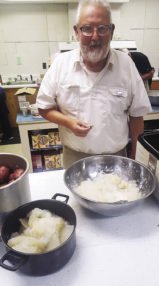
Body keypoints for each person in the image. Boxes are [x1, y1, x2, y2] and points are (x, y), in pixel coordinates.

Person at [36, 0, 151, 169]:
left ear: (111, 31)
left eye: (102, 28)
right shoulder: (61, 64)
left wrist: (135, 158)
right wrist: (68, 122)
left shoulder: (126, 65)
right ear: (76, 31)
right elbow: (44, 108)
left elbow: (136, 117)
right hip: (74, 157)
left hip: (117, 158)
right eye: (87, 28)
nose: (95, 36)